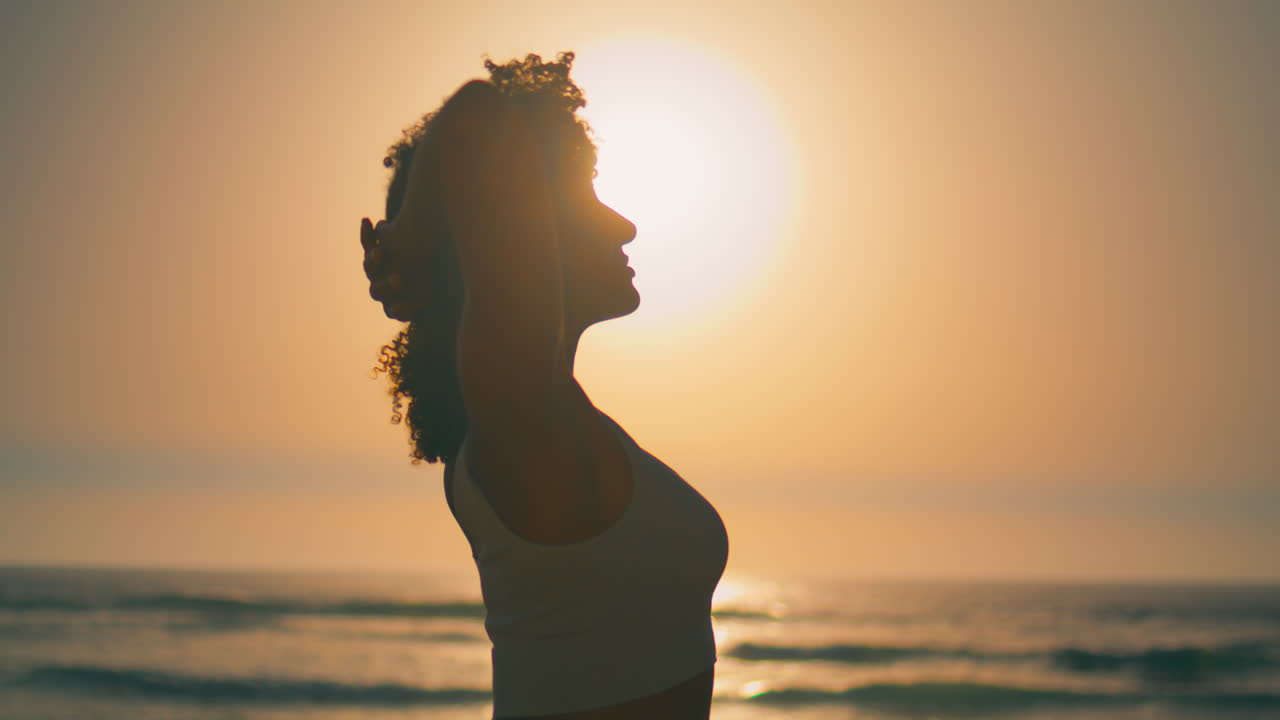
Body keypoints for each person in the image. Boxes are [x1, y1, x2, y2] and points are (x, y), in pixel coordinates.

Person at [359, 53, 729, 720]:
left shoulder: (546, 424)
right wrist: (410, 239)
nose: (625, 224)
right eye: (582, 195)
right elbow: (478, 120)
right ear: (518, 235)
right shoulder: (526, 428)